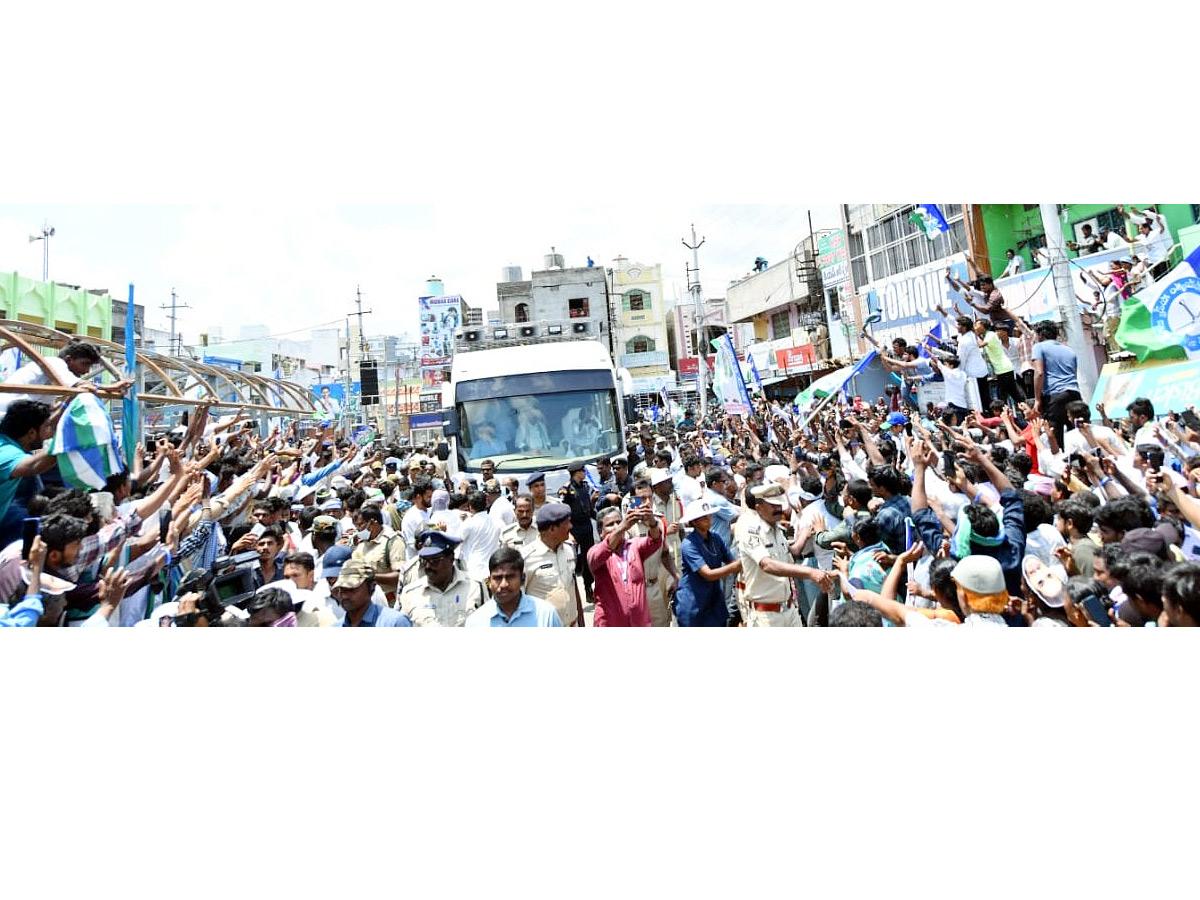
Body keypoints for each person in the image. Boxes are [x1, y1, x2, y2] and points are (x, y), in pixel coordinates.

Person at [738, 483, 834, 627]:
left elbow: (789, 561)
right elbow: (767, 564)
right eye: (773, 506)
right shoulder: (751, 531)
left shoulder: (777, 531)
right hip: (766, 615)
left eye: (779, 505)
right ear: (759, 508)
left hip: (789, 609)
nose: (778, 509)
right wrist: (810, 572)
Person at [0, 340, 133, 417]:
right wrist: (112, 387)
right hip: (8, 414)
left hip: (15, 415)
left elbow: (50, 406)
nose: (86, 370)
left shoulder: (55, 376)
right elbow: (81, 386)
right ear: (69, 359)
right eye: (85, 364)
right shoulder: (55, 363)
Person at [588, 504, 662, 627]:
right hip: (610, 623)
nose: (616, 526)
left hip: (639, 622)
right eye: (610, 524)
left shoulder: (634, 545)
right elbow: (598, 555)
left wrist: (652, 522)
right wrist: (622, 527)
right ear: (600, 532)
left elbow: (655, 540)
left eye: (618, 522)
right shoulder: (595, 552)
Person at [675, 498, 741, 627]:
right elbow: (708, 574)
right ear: (694, 521)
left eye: (709, 515)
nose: (708, 518)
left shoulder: (716, 538)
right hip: (693, 602)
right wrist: (735, 566)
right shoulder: (688, 544)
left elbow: (731, 560)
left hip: (713, 599)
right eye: (703, 516)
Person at [398, 530, 484, 627]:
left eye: (435, 561)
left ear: (451, 559)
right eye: (424, 561)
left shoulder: (475, 588)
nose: (428, 566)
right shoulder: (410, 593)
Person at [0, 399, 65, 523]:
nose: (51, 433)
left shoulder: (8, 442)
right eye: (47, 427)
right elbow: (34, 465)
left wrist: (65, 405)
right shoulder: (6, 452)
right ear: (31, 433)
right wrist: (68, 439)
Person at [519, 501, 582, 627]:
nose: (570, 526)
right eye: (566, 523)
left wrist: (581, 621)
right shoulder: (526, 558)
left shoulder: (569, 550)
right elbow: (518, 601)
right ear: (552, 528)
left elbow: (572, 587)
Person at [466, 546, 563, 627]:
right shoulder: (475, 622)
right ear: (489, 581)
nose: (504, 584)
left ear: (522, 578)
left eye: (510, 577)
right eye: (498, 578)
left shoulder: (546, 615)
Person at [1032, 320, 1081, 446]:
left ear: (1041, 335)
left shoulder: (1039, 347)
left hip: (1055, 395)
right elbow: (1074, 374)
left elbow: (1039, 373)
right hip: (1074, 393)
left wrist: (1037, 399)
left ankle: (1061, 463)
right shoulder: (1069, 350)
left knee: (1055, 436)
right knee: (1078, 432)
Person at [456, 491, 502, 582]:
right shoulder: (497, 521)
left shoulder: (469, 523)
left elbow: (456, 541)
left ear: (470, 506)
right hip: (493, 570)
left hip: (473, 572)